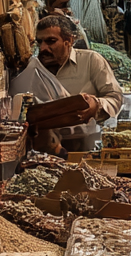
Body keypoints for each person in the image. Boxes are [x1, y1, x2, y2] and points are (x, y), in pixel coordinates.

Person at [11, 14, 122, 153]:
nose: (43, 48)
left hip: (84, 148)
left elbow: (115, 97)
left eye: (51, 41)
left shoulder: (91, 61)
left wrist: (96, 105)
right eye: (40, 42)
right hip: (42, 150)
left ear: (68, 40)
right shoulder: (32, 69)